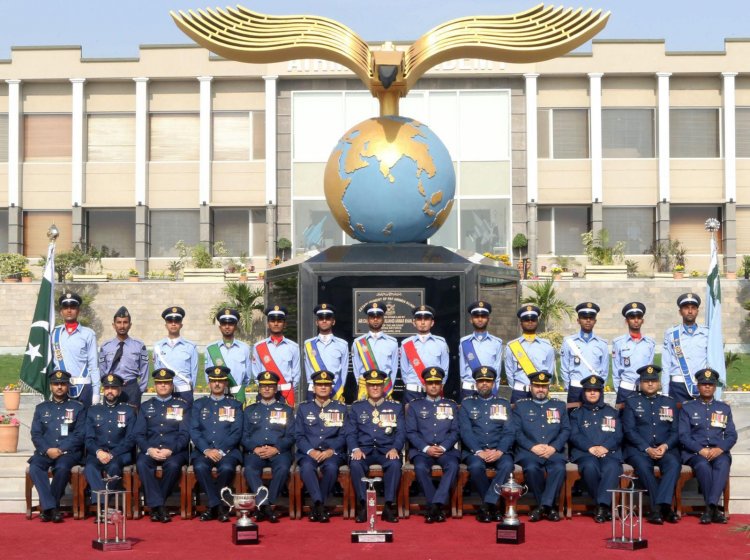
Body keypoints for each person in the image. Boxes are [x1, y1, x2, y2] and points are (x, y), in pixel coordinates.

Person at [621, 365, 681, 524]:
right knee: (642, 467)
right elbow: (629, 431)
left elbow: (675, 431)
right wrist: (647, 448)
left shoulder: (669, 402)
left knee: (674, 464)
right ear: (640, 383)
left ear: (659, 383)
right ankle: (664, 508)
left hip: (664, 450)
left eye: (653, 381)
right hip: (639, 450)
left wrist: (665, 446)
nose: (650, 384)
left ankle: (657, 508)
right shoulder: (632, 402)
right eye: (646, 381)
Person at [678, 368, 737, 524]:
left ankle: (710, 508)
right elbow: (683, 435)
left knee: (723, 463)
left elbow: (732, 435)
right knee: (703, 466)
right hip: (695, 453)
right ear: (698, 386)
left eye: (710, 384)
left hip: (718, 452)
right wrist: (700, 449)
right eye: (704, 384)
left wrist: (720, 449)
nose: (707, 387)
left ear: (715, 386)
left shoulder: (724, 408)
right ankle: (714, 509)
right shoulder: (688, 408)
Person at [458, 366, 515, 523]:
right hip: (475, 452)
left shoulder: (503, 403)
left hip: (499, 451)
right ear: (476, 383)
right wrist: (478, 451)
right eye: (481, 381)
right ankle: (493, 507)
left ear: (493, 383)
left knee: (507, 465)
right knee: (476, 467)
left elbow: (509, 431)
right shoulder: (467, 404)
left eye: (488, 381)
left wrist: (500, 450)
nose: (484, 384)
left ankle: (487, 504)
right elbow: (465, 432)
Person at [347, 369, 405, 523]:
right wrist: (355, 449)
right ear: (366, 386)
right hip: (364, 450)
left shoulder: (395, 407)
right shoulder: (357, 407)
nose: (374, 388)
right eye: (371, 385)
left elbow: (401, 433)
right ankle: (364, 506)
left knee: (394, 464)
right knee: (355, 464)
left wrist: (395, 448)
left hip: (386, 450)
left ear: (383, 386)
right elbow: (350, 433)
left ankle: (388, 506)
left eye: (378, 385)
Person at [28, 370, 86, 522]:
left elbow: (80, 435)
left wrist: (61, 449)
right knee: (35, 466)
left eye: (62, 384)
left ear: (67, 386)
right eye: (56, 384)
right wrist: (47, 450)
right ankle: (52, 508)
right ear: (51, 386)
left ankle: (47, 508)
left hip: (67, 453)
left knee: (62, 467)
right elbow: (36, 434)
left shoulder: (78, 407)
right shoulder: (41, 408)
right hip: (45, 452)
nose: (59, 387)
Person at [133, 368, 190, 523]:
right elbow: (138, 434)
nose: (163, 386)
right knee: (142, 463)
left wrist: (171, 450)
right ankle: (160, 507)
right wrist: (149, 449)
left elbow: (185, 434)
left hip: (174, 451)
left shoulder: (182, 406)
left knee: (173, 466)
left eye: (166, 383)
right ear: (155, 386)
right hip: (150, 450)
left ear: (172, 385)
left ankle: (155, 506)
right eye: (160, 383)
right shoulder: (146, 406)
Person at [513, 371, 570, 522]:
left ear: (548, 388)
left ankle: (542, 507)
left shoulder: (559, 406)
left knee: (558, 468)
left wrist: (554, 447)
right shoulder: (521, 406)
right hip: (529, 452)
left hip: (553, 451)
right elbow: (516, 432)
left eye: (544, 386)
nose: (540, 389)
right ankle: (549, 507)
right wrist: (532, 447)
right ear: (530, 387)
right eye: (537, 386)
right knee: (531, 469)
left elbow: (566, 430)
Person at [405, 367, 459, 523]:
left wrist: (443, 447)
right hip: (423, 451)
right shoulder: (414, 406)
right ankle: (436, 505)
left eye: (437, 383)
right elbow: (411, 432)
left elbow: (455, 431)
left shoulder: (451, 405)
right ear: (425, 385)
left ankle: (434, 506)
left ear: (441, 385)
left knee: (453, 466)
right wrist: (426, 448)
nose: (434, 386)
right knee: (420, 467)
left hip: (445, 450)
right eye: (430, 383)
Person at [190, 366, 243, 522]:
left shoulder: (235, 405)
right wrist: (206, 449)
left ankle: (212, 507)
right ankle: (218, 506)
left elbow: (237, 431)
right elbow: (194, 430)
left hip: (227, 451)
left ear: (225, 383)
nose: (217, 384)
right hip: (203, 451)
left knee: (227, 468)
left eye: (220, 381)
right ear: (209, 383)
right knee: (200, 467)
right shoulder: (199, 404)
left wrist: (221, 450)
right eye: (214, 381)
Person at [294, 370, 347, 522]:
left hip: (332, 453)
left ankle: (317, 505)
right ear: (314, 388)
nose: (323, 387)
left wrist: (332, 450)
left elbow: (344, 435)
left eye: (326, 385)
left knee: (331, 468)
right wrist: (310, 451)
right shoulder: (304, 408)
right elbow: (299, 435)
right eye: (319, 385)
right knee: (307, 468)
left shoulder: (341, 408)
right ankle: (320, 505)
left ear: (331, 388)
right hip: (309, 453)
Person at [569, 375, 623, 523]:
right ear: (584, 392)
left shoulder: (612, 412)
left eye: (596, 390)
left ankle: (600, 506)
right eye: (588, 390)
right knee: (590, 467)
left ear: (601, 393)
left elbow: (618, 435)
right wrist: (590, 447)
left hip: (609, 452)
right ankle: (605, 506)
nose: (592, 393)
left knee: (612, 468)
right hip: (585, 453)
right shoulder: (576, 414)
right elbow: (574, 435)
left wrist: (605, 447)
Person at [242, 371, 294, 523]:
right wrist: (254, 448)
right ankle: (265, 506)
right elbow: (244, 436)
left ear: (275, 389)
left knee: (283, 468)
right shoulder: (249, 410)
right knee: (250, 469)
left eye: (270, 386)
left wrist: (277, 448)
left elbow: (291, 436)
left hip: (278, 451)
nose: (266, 389)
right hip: (255, 451)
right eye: (263, 386)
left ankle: (267, 504)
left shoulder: (286, 410)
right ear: (259, 389)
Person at [84, 373, 138, 513]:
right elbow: (88, 438)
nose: (110, 391)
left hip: (120, 453)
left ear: (119, 391)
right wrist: (99, 452)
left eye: (113, 388)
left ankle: (101, 507)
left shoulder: (128, 411)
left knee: (114, 466)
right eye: (107, 387)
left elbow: (131, 439)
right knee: (90, 467)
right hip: (98, 453)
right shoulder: (93, 410)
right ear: (103, 389)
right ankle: (103, 506)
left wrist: (113, 453)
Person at [52, 292, 100, 407]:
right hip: (61, 387)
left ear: (78, 311)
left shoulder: (88, 334)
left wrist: (96, 392)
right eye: (65, 307)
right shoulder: (54, 334)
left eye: (73, 307)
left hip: (84, 388)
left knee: (84, 423)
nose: (69, 311)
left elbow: (94, 365)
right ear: (61, 311)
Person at [98, 306, 149, 409]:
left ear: (130, 325)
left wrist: (140, 390)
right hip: (112, 387)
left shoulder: (139, 345)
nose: (122, 326)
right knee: (110, 419)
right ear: (113, 325)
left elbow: (145, 369)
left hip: (131, 388)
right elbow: (102, 369)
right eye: (119, 322)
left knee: (132, 419)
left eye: (125, 322)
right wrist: (107, 386)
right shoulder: (106, 346)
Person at [662, 293, 709, 402]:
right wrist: (665, 393)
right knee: (677, 419)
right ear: (680, 312)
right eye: (686, 308)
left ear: (697, 311)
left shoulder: (707, 333)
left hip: (701, 385)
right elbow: (666, 365)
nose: (690, 311)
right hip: (677, 387)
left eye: (693, 308)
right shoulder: (671, 334)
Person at [560, 302, 609, 405]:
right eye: (584, 317)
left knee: (595, 419)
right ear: (578, 320)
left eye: (591, 318)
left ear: (595, 321)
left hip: (595, 389)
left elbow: (604, 370)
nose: (588, 320)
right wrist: (568, 386)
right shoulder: (569, 342)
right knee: (574, 418)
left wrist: (599, 387)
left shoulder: (602, 344)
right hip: (575, 389)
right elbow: (564, 368)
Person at [505, 305, 556, 403]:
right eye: (526, 320)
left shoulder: (547, 346)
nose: (530, 322)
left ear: (537, 321)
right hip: (519, 392)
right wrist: (518, 388)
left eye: (533, 319)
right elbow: (509, 372)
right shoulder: (512, 346)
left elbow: (550, 372)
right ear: (521, 323)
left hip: (539, 392)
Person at [251, 305, 300, 406]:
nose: (276, 323)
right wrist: (265, 389)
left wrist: (288, 389)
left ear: (285, 324)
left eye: (279, 321)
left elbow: (296, 373)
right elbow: (256, 373)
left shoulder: (293, 347)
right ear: (268, 324)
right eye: (272, 321)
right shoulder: (258, 346)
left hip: (285, 394)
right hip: (265, 392)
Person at [400, 305, 449, 403]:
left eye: (426, 319)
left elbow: (445, 369)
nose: (422, 322)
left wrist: (438, 386)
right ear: (414, 323)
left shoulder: (441, 343)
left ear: (432, 322)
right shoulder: (406, 344)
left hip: (434, 390)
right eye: (419, 319)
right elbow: (404, 371)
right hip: (412, 392)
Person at [352, 302, 399, 400]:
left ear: (383, 319)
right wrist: (362, 387)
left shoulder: (392, 343)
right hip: (365, 389)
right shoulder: (358, 343)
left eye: (378, 317)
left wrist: (388, 387)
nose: (375, 319)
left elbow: (394, 370)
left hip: (385, 388)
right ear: (367, 320)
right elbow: (356, 370)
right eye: (372, 317)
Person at [303, 304, 350, 401]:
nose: (324, 321)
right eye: (321, 318)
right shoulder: (308, 344)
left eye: (328, 318)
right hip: (314, 390)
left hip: (335, 389)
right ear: (317, 322)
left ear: (333, 322)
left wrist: (339, 388)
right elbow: (308, 370)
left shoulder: (342, 344)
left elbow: (344, 370)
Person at [153, 306, 198, 406]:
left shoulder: (190, 347)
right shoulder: (158, 347)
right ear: (166, 325)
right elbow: (157, 372)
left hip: (184, 392)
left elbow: (193, 373)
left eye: (176, 321)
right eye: (170, 321)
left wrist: (190, 390)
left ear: (181, 325)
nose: (173, 324)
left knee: (185, 421)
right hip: (166, 392)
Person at [611, 302, 656, 405]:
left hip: (644, 390)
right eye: (632, 317)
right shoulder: (618, 343)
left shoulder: (650, 343)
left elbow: (650, 369)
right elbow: (616, 371)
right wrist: (620, 391)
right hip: (625, 390)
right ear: (626, 321)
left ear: (642, 321)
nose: (636, 320)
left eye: (639, 317)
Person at [458, 301, 502, 401]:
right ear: (471, 320)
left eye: (483, 316)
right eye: (476, 316)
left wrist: (495, 389)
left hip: (489, 390)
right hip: (469, 390)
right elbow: (462, 370)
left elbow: (497, 370)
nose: (480, 319)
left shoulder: (496, 343)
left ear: (488, 319)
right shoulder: (464, 342)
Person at [205, 308, 252, 403]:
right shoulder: (210, 348)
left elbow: (247, 376)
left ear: (235, 326)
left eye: (230, 324)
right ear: (220, 327)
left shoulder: (244, 348)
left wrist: (238, 389)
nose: (227, 327)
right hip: (217, 394)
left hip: (238, 395)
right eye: (224, 324)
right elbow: (207, 376)